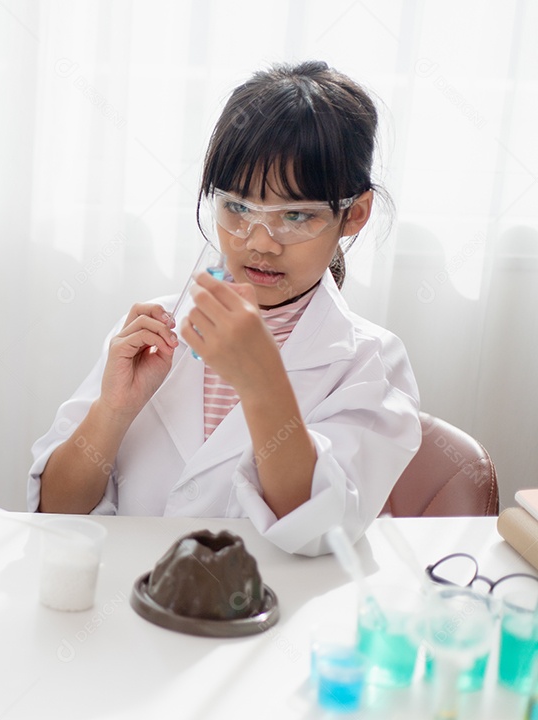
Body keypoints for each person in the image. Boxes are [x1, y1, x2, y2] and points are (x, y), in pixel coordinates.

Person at [28, 61, 421, 557]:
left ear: (354, 214)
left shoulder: (370, 363)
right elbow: (54, 512)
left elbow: (321, 532)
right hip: (129, 598)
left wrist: (261, 382)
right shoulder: (154, 329)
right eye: (237, 207)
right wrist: (114, 410)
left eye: (295, 215)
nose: (260, 242)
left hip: (268, 607)